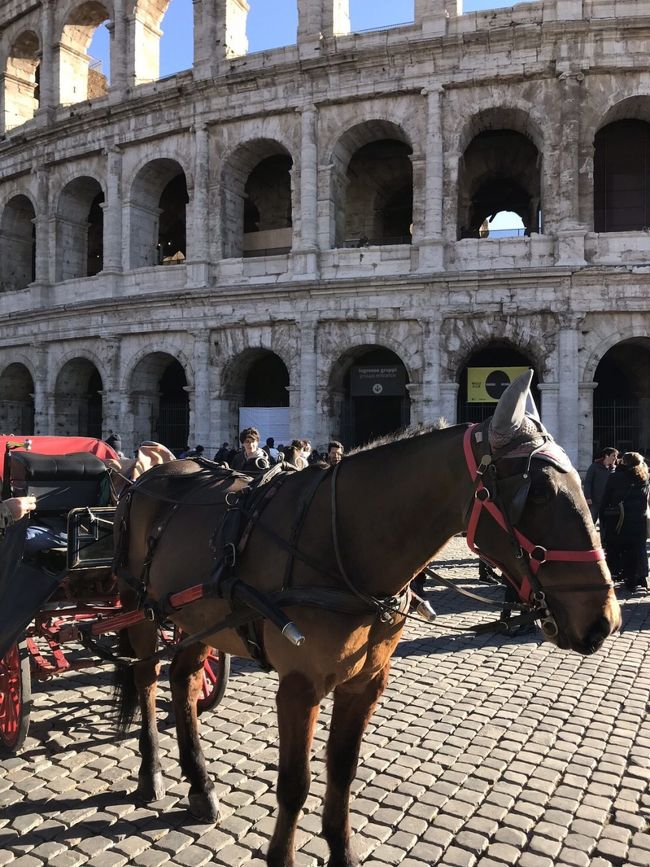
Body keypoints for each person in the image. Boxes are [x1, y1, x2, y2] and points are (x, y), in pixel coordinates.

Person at [599, 451, 649, 592]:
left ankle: (615, 574)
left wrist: (602, 516)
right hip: (638, 520)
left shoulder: (615, 477)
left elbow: (606, 498)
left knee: (616, 548)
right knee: (634, 550)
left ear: (623, 462)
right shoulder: (644, 478)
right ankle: (632, 580)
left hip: (617, 520)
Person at [583, 447, 618, 522]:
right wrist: (588, 497)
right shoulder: (594, 467)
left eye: (616, 456)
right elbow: (588, 482)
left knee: (605, 524)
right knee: (591, 522)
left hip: (608, 502)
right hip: (594, 501)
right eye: (613, 455)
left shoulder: (615, 469)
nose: (615, 458)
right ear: (606, 456)